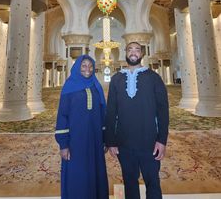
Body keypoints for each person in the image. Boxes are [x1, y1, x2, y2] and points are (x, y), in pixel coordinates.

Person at [105, 42, 169, 199]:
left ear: (141, 54)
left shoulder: (154, 78)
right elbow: (111, 112)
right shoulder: (116, 79)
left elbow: (163, 111)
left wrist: (162, 140)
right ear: (125, 53)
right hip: (124, 143)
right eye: (130, 49)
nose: (133, 52)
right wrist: (111, 142)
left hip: (149, 143)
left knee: (152, 182)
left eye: (137, 50)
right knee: (130, 183)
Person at [55, 54, 109, 199]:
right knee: (77, 173)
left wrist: (105, 139)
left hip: (95, 138)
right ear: (78, 67)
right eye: (84, 66)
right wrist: (63, 144)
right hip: (75, 141)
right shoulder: (69, 87)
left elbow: (103, 114)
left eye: (91, 66)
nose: (88, 69)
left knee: (94, 170)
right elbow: (62, 116)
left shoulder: (95, 86)